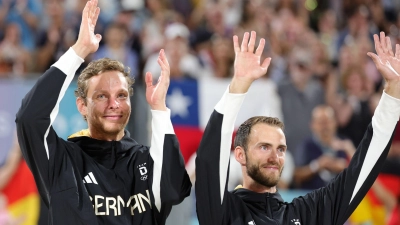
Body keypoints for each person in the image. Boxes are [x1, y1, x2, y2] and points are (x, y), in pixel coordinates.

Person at [195, 30, 400, 224]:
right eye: (264, 147)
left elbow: (361, 171)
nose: (275, 156)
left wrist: (392, 92)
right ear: (240, 155)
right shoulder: (222, 211)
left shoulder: (305, 214)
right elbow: (209, 158)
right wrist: (238, 86)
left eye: (281, 149)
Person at [15, 0, 191, 224]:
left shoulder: (145, 160)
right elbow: (29, 118)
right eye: (101, 96)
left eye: (121, 95)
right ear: (82, 106)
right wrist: (78, 51)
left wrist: (159, 110)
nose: (113, 104)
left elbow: (175, 189)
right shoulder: (63, 160)